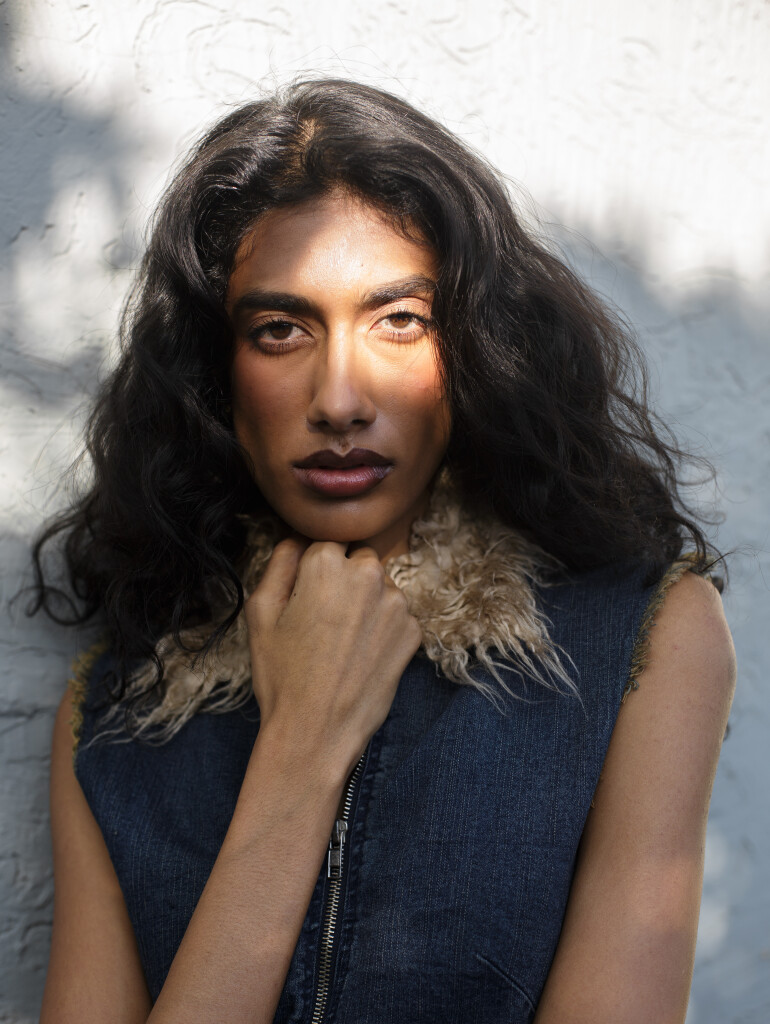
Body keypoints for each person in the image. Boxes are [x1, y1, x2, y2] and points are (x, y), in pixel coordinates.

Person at [32, 78, 736, 1023]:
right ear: (216, 371)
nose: (340, 400)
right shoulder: (120, 711)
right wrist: (299, 755)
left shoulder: (642, 642)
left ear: (475, 344)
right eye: (280, 330)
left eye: (400, 320)